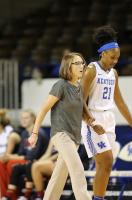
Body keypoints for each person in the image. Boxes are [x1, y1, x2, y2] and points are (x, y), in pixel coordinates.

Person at [28, 52, 105, 200]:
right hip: (61, 134)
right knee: (77, 170)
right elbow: (44, 109)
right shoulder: (60, 85)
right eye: (77, 63)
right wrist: (34, 133)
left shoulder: (79, 88)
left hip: (75, 138)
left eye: (83, 63)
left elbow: (83, 112)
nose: (82, 65)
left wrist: (93, 124)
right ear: (68, 67)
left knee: (59, 176)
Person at [80, 25, 132, 200]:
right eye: (113, 57)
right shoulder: (91, 70)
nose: (115, 60)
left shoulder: (114, 74)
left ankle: (98, 197)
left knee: (106, 166)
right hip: (92, 119)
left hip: (109, 119)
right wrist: (92, 122)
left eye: (118, 58)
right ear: (103, 53)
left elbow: (120, 102)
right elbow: (79, 101)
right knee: (106, 160)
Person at [0, 109, 48, 198]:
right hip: (26, 160)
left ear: (33, 119)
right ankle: (3, 195)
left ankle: (13, 195)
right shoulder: (24, 133)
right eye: (22, 118)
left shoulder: (39, 133)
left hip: (35, 162)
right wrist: (8, 156)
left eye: (26, 118)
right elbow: (21, 153)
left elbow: (32, 157)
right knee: (1, 163)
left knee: (11, 164)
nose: (23, 120)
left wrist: (10, 158)